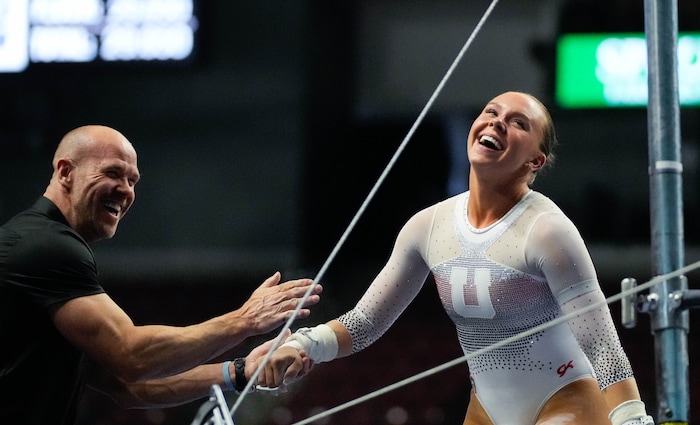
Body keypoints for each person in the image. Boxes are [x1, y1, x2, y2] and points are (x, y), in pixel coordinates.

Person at [257, 92, 654, 425]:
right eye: (491, 113)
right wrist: (305, 345)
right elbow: (364, 323)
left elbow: (601, 345)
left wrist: (632, 417)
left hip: (566, 398)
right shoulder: (427, 227)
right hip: (486, 408)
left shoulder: (548, 231)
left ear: (536, 161)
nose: (497, 123)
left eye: (518, 123)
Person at [0, 125, 320, 425]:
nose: (125, 191)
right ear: (65, 172)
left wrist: (241, 371)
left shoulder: (40, 244)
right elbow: (131, 355)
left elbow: (127, 384)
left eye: (132, 181)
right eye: (112, 173)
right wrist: (243, 320)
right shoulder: (46, 245)